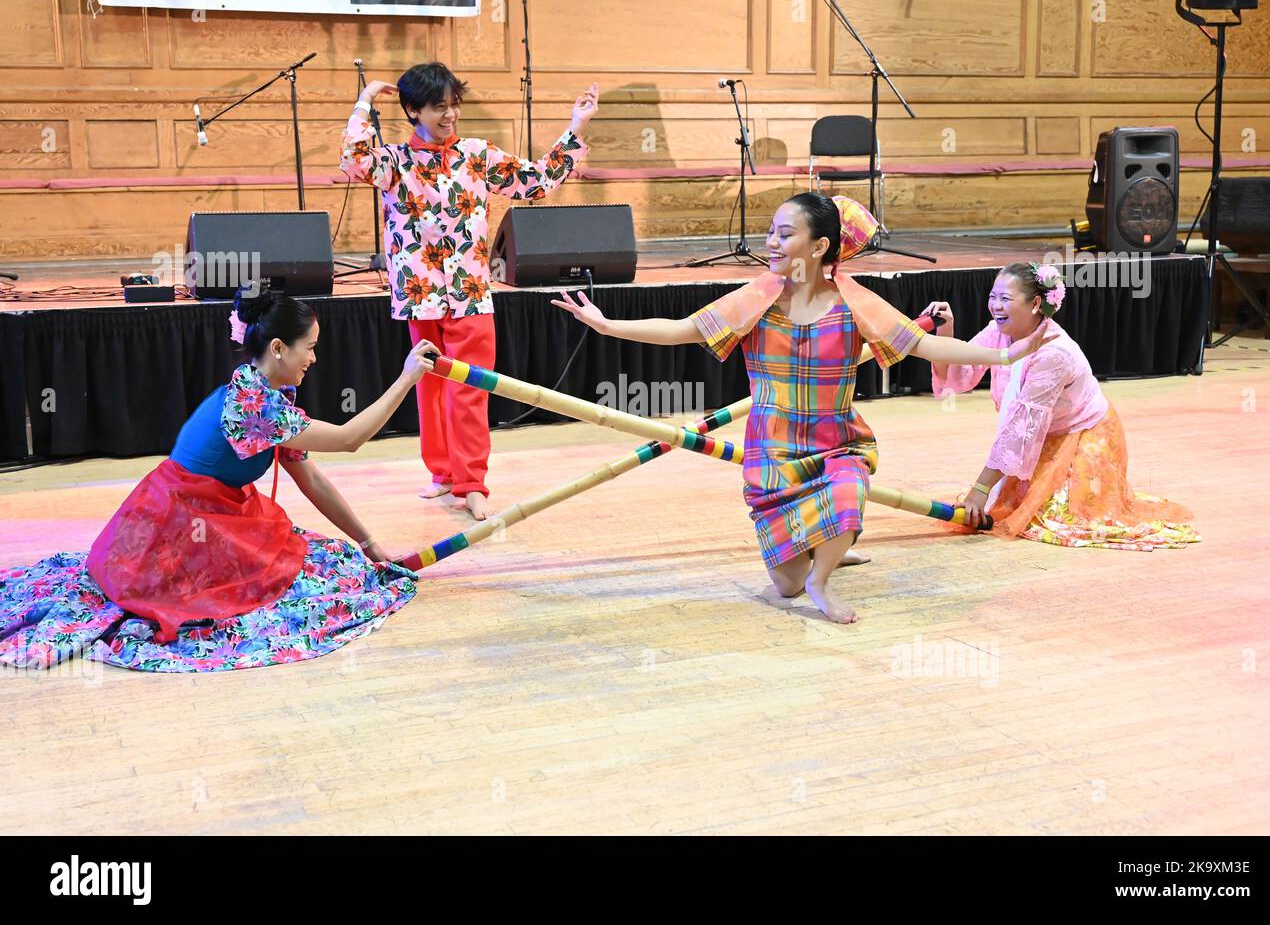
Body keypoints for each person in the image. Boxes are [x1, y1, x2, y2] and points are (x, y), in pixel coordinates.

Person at [552, 193, 1054, 623]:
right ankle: (816, 559)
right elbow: (682, 328)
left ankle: (824, 577)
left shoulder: (855, 302)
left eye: (784, 234)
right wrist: (608, 325)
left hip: (837, 440)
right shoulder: (757, 298)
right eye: (770, 232)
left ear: (818, 247)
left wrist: (1004, 353)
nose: (771, 242)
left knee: (848, 491)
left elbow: (926, 347)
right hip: (772, 452)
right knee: (783, 585)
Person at [0, 289, 440, 672]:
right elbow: (349, 439)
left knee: (336, 561)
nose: (314, 358)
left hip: (202, 515)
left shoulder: (263, 391)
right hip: (176, 529)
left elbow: (310, 477)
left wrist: (368, 544)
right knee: (322, 584)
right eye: (310, 347)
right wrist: (407, 378)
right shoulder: (257, 405)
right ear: (279, 348)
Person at [341, 61, 598, 520]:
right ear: (413, 110)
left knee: (470, 389)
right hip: (418, 294)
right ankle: (442, 473)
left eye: (453, 106)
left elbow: (536, 181)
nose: (450, 116)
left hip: (470, 293)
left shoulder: (477, 155)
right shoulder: (395, 161)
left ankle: (471, 482)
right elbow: (353, 160)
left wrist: (576, 125)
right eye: (439, 107)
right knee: (429, 388)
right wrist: (364, 102)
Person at [925, 262, 1199, 550]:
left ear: (1035, 303)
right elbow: (960, 377)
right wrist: (947, 331)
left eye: (1005, 299)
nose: (996, 305)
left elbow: (1021, 430)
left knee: (1056, 516)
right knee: (1014, 507)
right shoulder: (1000, 330)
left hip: (1084, 435)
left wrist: (981, 488)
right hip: (1041, 435)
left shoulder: (1053, 353)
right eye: (993, 296)